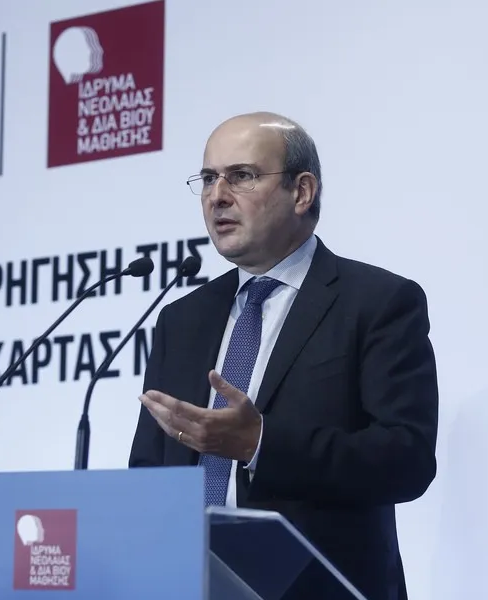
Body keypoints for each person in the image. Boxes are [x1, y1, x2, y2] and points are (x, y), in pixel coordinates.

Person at [129, 112, 439, 600]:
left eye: (241, 175)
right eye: (208, 178)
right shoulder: (181, 320)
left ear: (302, 192)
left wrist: (260, 442)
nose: (217, 196)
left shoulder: (377, 303)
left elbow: (407, 459)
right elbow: (149, 471)